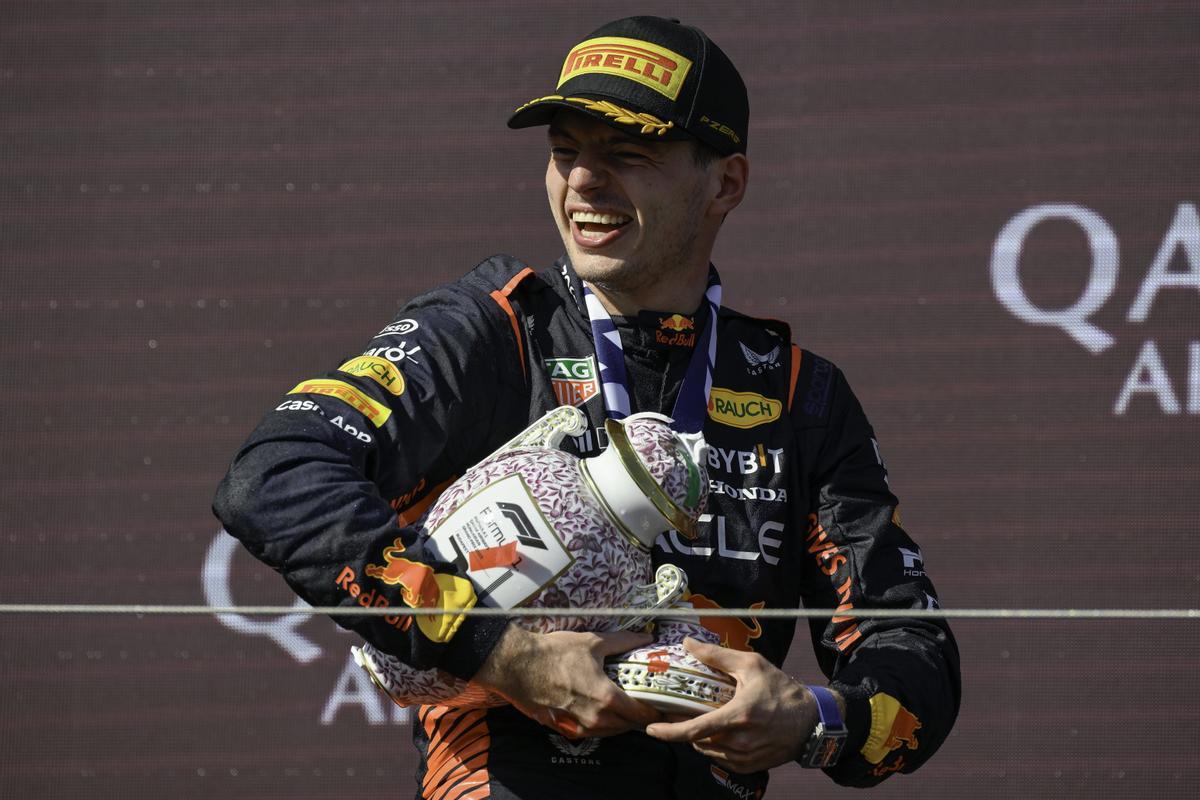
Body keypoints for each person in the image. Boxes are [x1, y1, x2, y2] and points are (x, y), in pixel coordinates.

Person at [214, 15, 960, 799]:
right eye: (564, 152)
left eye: (627, 156)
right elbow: (272, 475)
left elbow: (907, 646)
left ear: (725, 183)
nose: (583, 182)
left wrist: (812, 719)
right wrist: (506, 657)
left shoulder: (799, 392)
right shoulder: (493, 332)